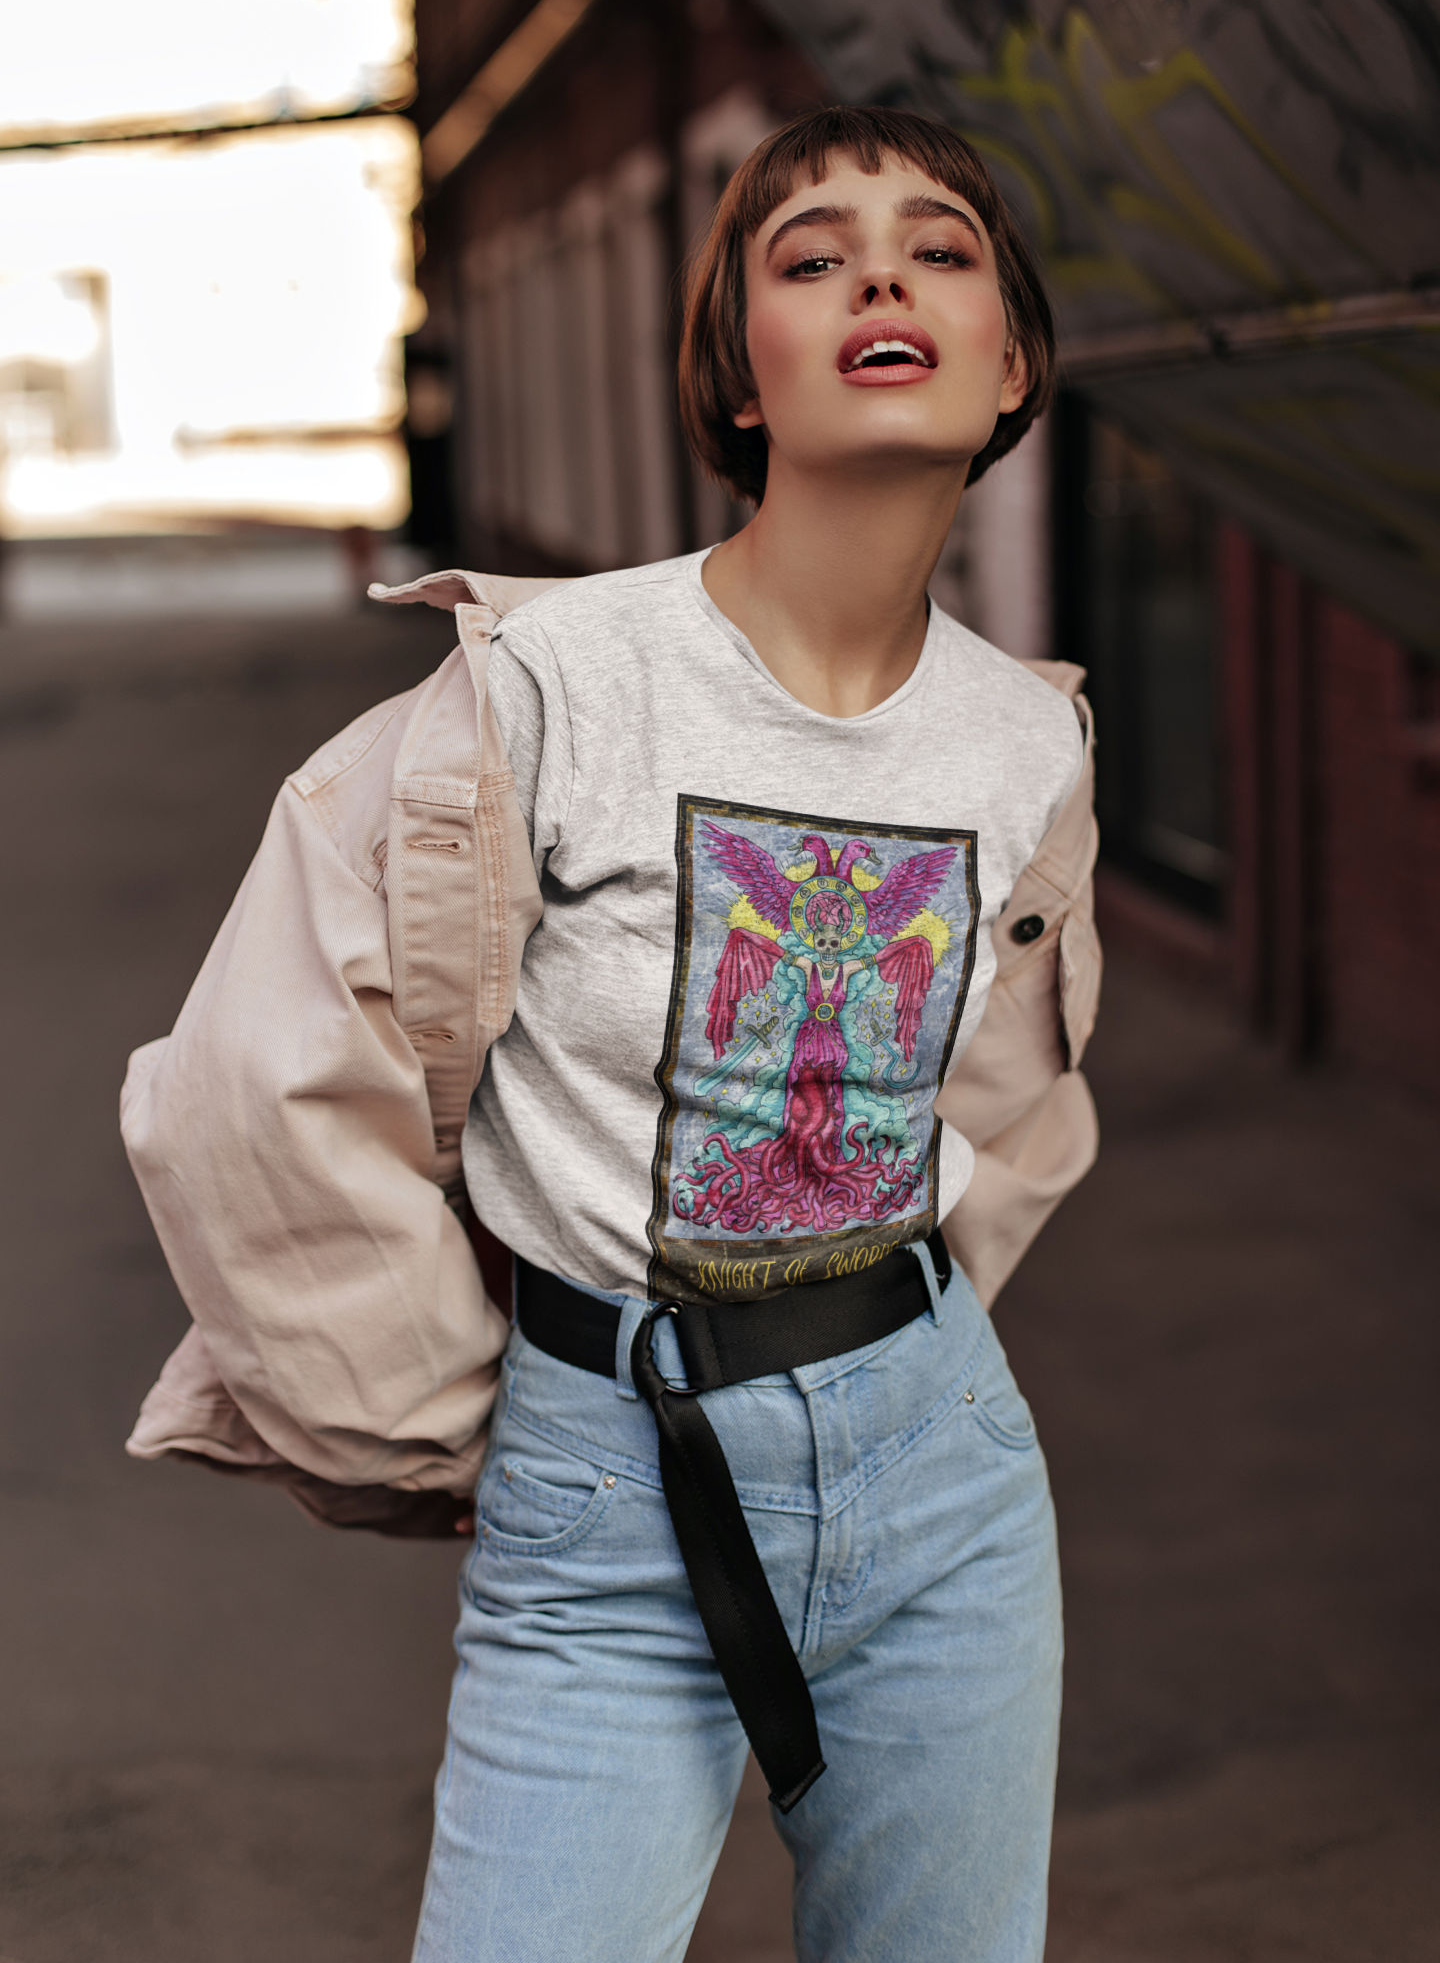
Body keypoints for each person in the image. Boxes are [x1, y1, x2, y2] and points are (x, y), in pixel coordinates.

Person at [122, 104, 1102, 1962]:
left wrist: (908, 1347)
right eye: (809, 255)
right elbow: (259, 1087)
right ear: (739, 374)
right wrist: (468, 1435)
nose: (881, 271)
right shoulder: (549, 683)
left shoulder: (1027, 740)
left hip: (947, 1482)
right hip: (606, 1487)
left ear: (1011, 364)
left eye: (941, 249)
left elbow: (1005, 1085)